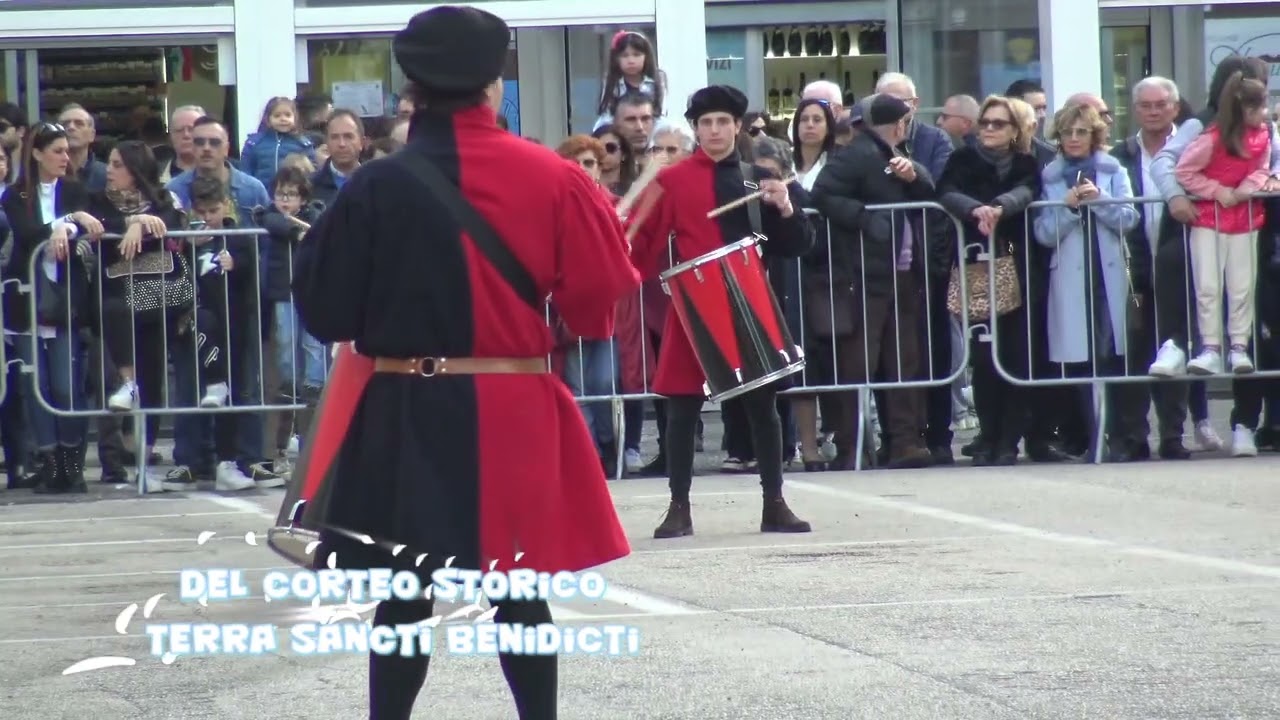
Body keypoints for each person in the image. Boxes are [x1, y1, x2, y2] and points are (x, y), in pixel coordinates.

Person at [290, 7, 640, 720]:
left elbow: (326, 313)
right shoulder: (554, 176)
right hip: (513, 403)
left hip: (404, 405)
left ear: (411, 88)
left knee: (403, 593)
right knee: (519, 590)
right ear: (493, 83)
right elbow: (600, 296)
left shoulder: (373, 186)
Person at [627, 84, 814, 539]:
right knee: (682, 408)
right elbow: (642, 244)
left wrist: (786, 207)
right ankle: (678, 508)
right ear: (695, 128)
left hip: (748, 303)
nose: (714, 130)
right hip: (693, 306)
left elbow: (797, 244)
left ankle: (774, 503)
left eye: (723, 122)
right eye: (706, 122)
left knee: (763, 408)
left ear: (736, 127)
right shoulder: (672, 181)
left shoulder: (758, 178)